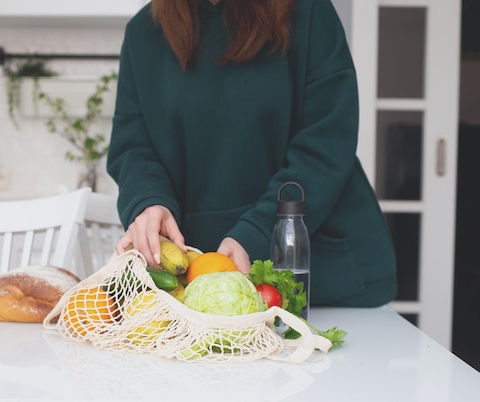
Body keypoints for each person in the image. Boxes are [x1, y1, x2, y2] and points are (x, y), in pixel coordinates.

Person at [106, 0, 397, 307]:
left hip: (323, 282)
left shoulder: (309, 11)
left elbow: (326, 142)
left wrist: (256, 233)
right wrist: (149, 202)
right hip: (199, 293)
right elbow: (133, 148)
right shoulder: (143, 33)